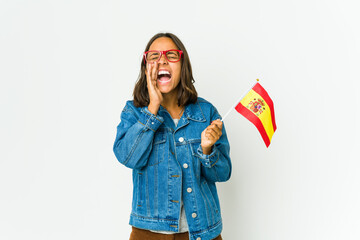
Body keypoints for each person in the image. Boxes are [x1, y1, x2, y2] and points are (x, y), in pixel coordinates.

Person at [113, 32, 232, 240]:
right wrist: (152, 108)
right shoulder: (134, 112)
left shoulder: (206, 113)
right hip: (148, 233)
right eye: (154, 56)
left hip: (202, 233)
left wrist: (207, 150)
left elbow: (223, 174)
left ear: (182, 64)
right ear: (146, 66)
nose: (162, 60)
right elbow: (128, 157)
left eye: (171, 55)